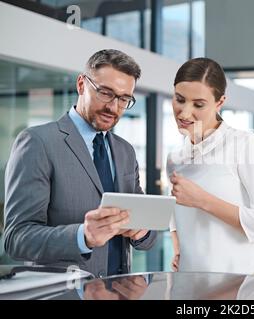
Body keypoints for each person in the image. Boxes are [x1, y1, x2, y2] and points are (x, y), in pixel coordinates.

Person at [3, 49, 156, 277]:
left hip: (119, 288)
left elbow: (147, 234)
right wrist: (82, 236)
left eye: (124, 99)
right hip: (65, 292)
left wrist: (142, 231)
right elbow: (17, 238)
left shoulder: (126, 151)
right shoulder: (38, 142)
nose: (113, 108)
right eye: (105, 93)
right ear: (82, 85)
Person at [167, 57, 254, 275]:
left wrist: (203, 200)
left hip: (241, 287)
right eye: (179, 99)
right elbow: (176, 215)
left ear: (220, 102)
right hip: (190, 284)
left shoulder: (247, 146)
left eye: (198, 104)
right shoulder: (175, 157)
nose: (183, 113)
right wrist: (178, 248)